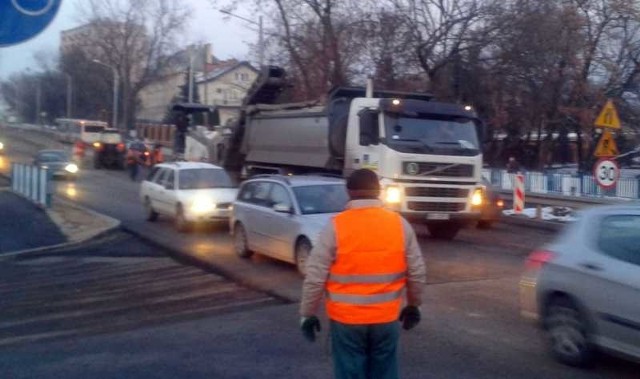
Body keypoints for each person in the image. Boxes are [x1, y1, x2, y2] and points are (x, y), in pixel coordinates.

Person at [299, 168, 427, 379]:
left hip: (347, 322)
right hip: (386, 319)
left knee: (350, 372)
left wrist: (307, 314)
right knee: (385, 371)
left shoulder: (335, 227)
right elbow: (417, 271)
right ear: (378, 192)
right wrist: (414, 305)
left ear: (349, 193)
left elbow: (315, 275)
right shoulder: (399, 225)